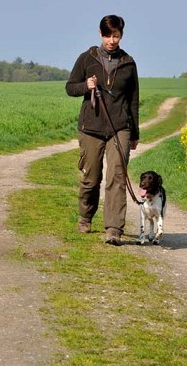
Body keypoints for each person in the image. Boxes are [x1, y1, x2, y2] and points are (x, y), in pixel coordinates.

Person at [65, 14, 140, 245]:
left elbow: (133, 100)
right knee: (92, 177)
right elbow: (70, 88)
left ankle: (114, 228)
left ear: (121, 35)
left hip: (120, 128)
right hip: (91, 128)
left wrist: (134, 133)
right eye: (108, 35)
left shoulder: (128, 63)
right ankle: (85, 216)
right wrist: (85, 87)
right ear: (100, 34)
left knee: (117, 177)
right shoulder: (86, 59)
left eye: (116, 36)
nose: (111, 40)